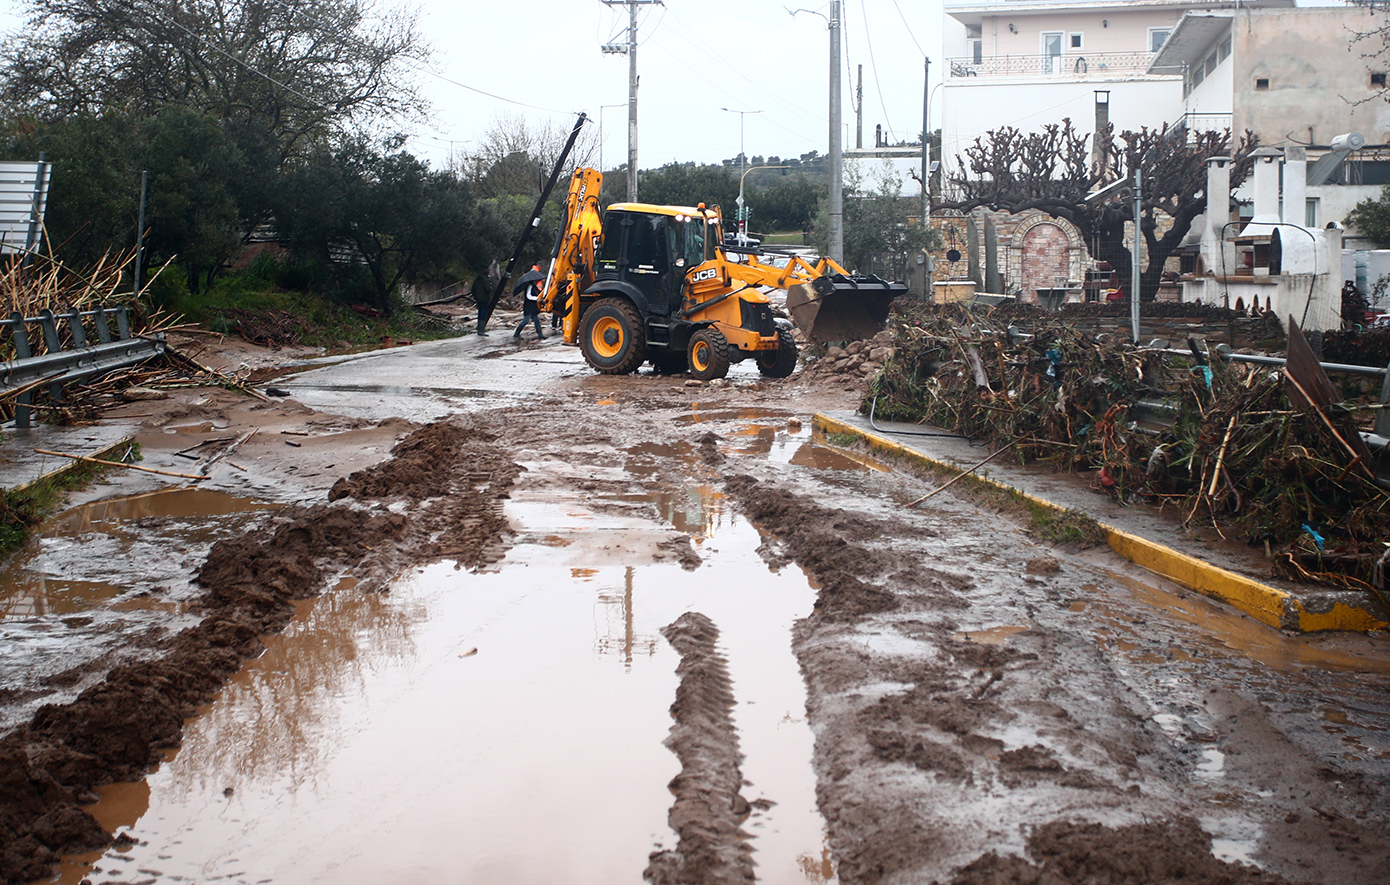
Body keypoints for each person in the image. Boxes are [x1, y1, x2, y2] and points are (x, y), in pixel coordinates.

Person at [514, 266, 546, 340]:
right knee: (526, 320)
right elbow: (529, 296)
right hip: (529, 307)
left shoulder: (534, 286)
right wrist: (538, 299)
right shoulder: (530, 286)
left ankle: (540, 335)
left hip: (533, 307)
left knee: (536, 320)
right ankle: (516, 333)